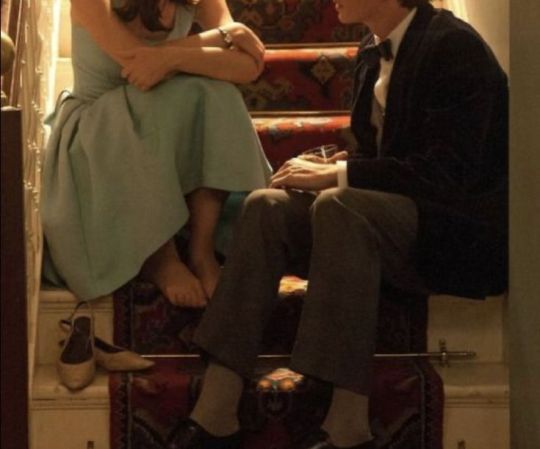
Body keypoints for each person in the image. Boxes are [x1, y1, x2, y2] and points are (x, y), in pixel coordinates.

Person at [166, 0, 508, 448]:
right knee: (266, 205)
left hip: (447, 235)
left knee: (339, 204)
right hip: (377, 219)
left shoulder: (455, 47)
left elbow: (445, 175)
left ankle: (348, 429)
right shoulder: (372, 47)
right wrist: (334, 164)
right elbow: (380, 153)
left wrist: (340, 175)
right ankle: (217, 409)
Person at [41, 0, 272, 308]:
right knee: (151, 104)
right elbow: (138, 64)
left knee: (220, 94)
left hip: (156, 116)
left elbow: (247, 66)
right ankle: (159, 258)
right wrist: (225, 38)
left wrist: (172, 57)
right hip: (97, 132)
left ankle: (201, 251)